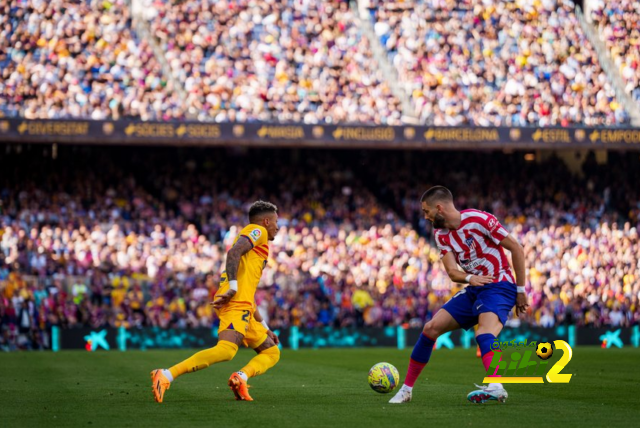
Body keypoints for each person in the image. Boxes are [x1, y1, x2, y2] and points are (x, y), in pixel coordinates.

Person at [389, 186, 528, 404]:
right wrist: (470, 278)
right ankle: (406, 391)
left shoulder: (480, 219)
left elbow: (517, 249)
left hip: (499, 285)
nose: (425, 217)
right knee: (430, 329)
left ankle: (496, 386)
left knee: (483, 333)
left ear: (439, 208)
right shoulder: (441, 234)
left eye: (426, 211)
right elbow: (453, 272)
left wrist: (521, 290)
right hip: (474, 287)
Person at [151, 201, 281, 403]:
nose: (277, 227)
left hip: (244, 305)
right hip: (236, 302)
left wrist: (266, 327)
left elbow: (249, 292)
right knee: (226, 351)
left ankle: (241, 378)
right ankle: (166, 375)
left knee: (271, 351)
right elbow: (233, 252)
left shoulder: (258, 249)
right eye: (275, 221)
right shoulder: (258, 231)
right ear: (266, 221)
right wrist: (234, 287)